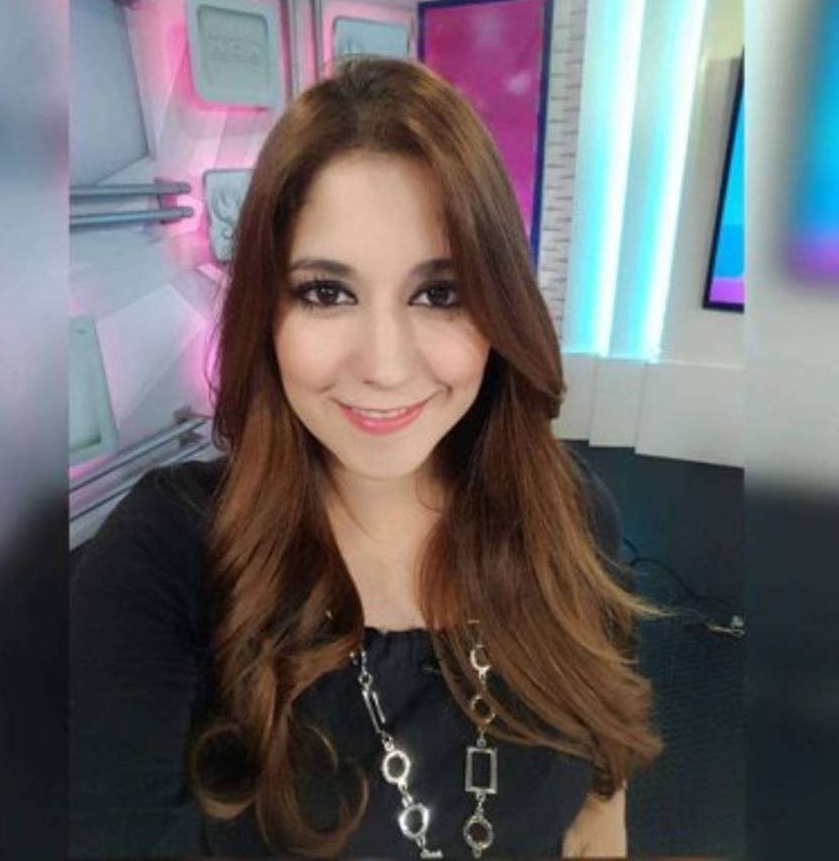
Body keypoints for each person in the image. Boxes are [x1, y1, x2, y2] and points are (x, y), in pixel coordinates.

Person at [70, 56, 665, 858]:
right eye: (327, 292)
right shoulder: (165, 557)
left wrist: (604, 797)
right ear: (267, 313)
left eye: (440, 293)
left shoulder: (571, 511)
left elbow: (604, 746)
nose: (384, 366)